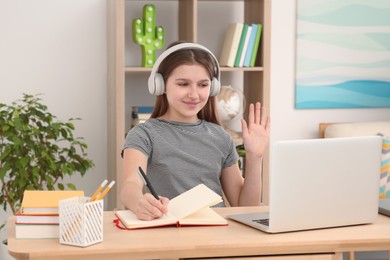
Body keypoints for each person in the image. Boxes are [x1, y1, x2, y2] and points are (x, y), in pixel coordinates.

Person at [120, 41, 270, 221]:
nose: (194, 94)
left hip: (216, 236)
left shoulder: (221, 137)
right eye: (183, 84)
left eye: (203, 85)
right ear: (160, 85)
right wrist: (139, 202)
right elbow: (130, 185)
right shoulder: (144, 134)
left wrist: (255, 157)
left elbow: (245, 207)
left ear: (212, 87)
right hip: (168, 233)